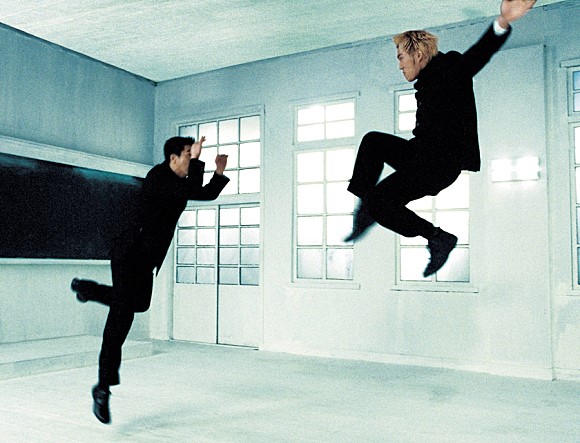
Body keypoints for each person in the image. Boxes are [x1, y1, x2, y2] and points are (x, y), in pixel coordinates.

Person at [345, 0, 536, 277]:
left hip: (438, 165)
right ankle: (367, 208)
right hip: (421, 155)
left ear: (418, 54)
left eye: (400, 57)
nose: (399, 65)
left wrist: (502, 22)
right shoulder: (427, 80)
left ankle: (436, 237)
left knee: (379, 201)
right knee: (373, 145)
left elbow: (479, 55)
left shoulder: (450, 68)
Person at [70, 136, 229, 424]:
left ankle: (87, 289)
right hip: (129, 253)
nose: (190, 158)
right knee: (120, 320)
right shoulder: (158, 178)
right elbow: (192, 189)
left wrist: (217, 171)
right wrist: (198, 161)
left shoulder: (177, 184)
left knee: (138, 305)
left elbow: (204, 193)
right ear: (173, 158)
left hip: (145, 259)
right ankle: (102, 388)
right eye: (187, 154)